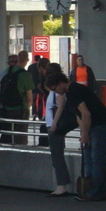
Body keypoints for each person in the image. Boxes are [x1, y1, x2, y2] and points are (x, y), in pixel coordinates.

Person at [46, 69, 106, 201]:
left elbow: (85, 113)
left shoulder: (74, 91)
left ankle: (96, 191)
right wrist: (84, 133)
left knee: (95, 158)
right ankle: (91, 189)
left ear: (60, 84)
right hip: (97, 123)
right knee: (89, 157)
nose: (56, 92)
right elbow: (80, 115)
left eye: (55, 89)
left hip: (99, 124)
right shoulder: (72, 91)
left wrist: (85, 133)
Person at [43, 62, 74, 197]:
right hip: (52, 124)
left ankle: (61, 186)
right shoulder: (53, 90)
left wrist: (54, 124)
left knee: (57, 156)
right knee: (56, 156)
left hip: (54, 126)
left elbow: (60, 107)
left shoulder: (57, 91)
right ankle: (61, 184)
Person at [0, 54, 34, 144]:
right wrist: (27, 108)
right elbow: (29, 98)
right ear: (26, 61)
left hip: (6, 108)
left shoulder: (3, 73)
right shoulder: (25, 74)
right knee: (20, 136)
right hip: (21, 108)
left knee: (7, 134)